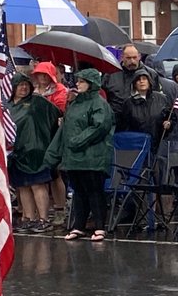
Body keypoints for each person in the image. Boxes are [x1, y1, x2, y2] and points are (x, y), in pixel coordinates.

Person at [46, 69, 114, 242]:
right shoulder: (74, 103)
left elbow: (100, 126)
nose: (78, 84)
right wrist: (54, 153)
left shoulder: (99, 103)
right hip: (73, 158)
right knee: (79, 192)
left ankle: (99, 226)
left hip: (93, 157)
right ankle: (78, 226)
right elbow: (64, 129)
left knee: (94, 191)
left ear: (91, 83)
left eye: (82, 81)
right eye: (78, 81)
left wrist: (78, 140)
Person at [7, 73, 61, 233]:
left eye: (26, 84)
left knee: (37, 184)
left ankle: (43, 219)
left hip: (35, 150)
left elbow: (56, 114)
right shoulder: (7, 105)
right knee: (23, 186)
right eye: (20, 84)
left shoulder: (37, 101)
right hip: (15, 152)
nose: (24, 87)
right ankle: (29, 217)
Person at [31, 61, 69, 220]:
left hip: (53, 136)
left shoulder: (60, 90)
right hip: (36, 137)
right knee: (39, 176)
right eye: (40, 74)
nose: (43, 77)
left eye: (46, 74)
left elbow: (60, 110)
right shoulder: (32, 91)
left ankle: (60, 208)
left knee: (55, 173)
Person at [115, 70, 172, 150]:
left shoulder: (161, 98)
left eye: (144, 78)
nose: (141, 81)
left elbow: (171, 117)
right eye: (138, 79)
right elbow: (125, 126)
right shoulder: (128, 103)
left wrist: (169, 124)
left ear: (149, 81)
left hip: (159, 145)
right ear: (134, 84)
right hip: (137, 146)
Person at [103, 44, 160, 118]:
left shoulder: (151, 74)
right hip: (117, 120)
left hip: (142, 120)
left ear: (139, 56)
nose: (132, 61)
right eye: (128, 58)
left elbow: (157, 99)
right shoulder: (110, 74)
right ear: (122, 57)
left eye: (134, 57)